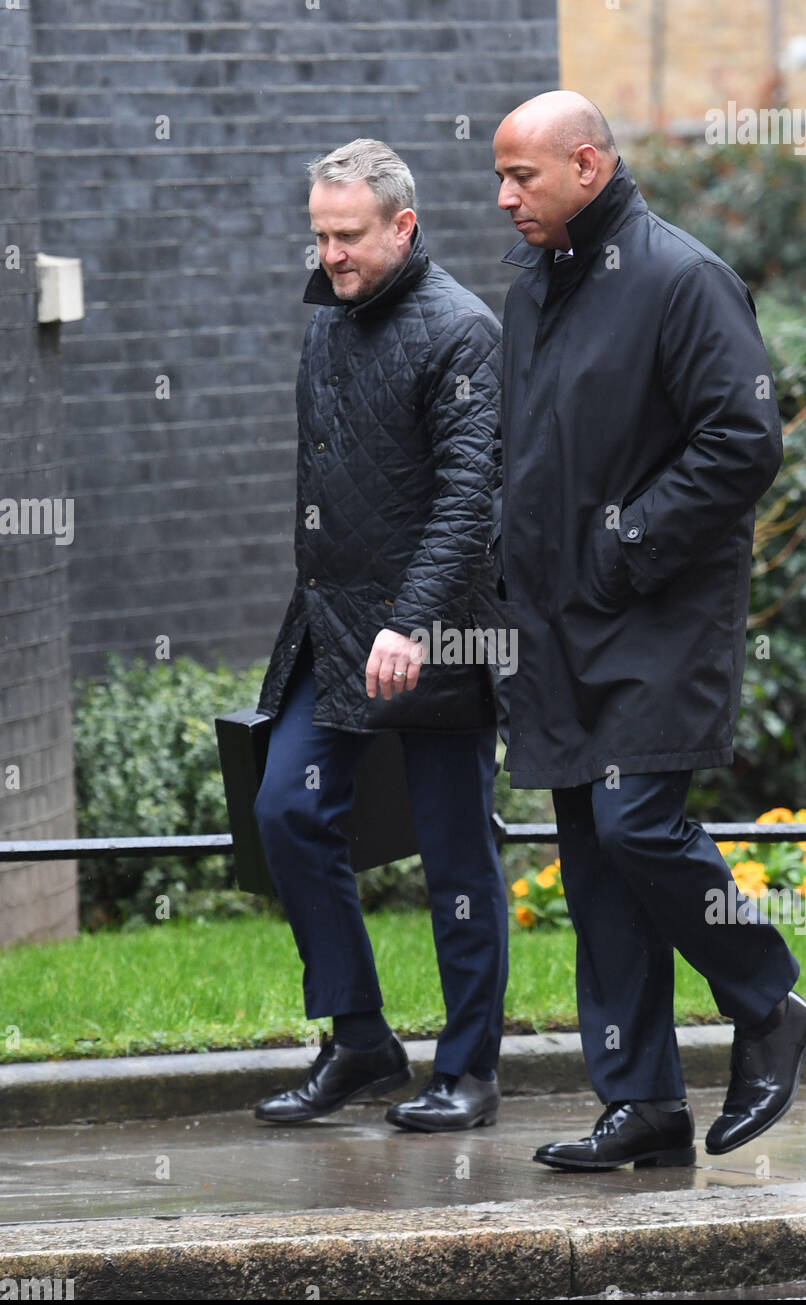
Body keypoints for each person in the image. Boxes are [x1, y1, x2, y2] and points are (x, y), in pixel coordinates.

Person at [489, 91, 806, 1171]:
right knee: (596, 870)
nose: (503, 198)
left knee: (638, 830)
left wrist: (625, 546)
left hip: (659, 620)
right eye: (498, 176)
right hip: (558, 628)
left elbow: (743, 439)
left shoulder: (682, 278)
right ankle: (642, 1105)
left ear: (587, 164)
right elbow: (526, 453)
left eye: (522, 176)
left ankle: (770, 1002)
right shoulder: (533, 287)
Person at [252, 139, 508, 1133]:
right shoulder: (328, 315)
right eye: (318, 234)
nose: (330, 254)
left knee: (454, 853)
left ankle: (469, 1070)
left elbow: (468, 500)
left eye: (347, 236)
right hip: (332, 621)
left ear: (403, 225)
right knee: (285, 807)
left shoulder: (462, 334)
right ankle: (358, 1037)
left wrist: (412, 620)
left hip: (438, 634)